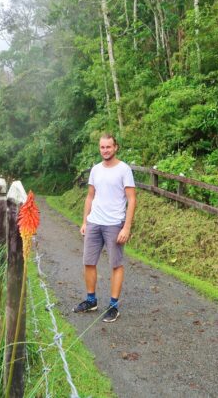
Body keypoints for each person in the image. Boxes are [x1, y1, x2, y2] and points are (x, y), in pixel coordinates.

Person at [73, 133, 136, 323]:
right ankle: (91, 300)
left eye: (109, 147)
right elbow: (90, 196)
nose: (105, 150)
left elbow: (132, 199)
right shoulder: (95, 170)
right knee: (89, 262)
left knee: (115, 264)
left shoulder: (124, 170)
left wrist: (126, 227)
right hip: (94, 222)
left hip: (114, 223)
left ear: (115, 147)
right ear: (99, 148)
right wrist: (85, 221)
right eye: (102, 147)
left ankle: (113, 306)